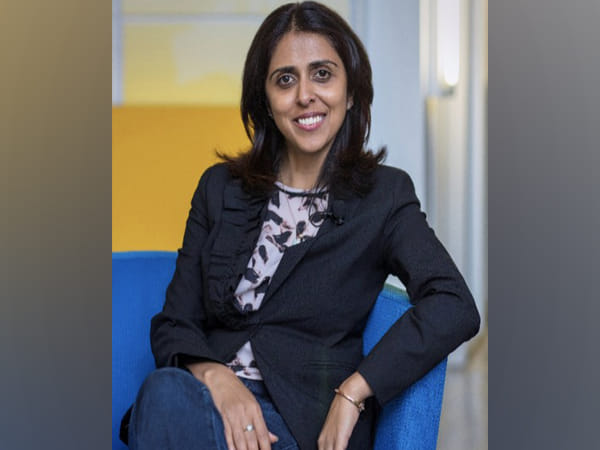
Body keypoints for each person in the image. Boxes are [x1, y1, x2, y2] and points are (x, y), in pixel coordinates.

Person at [121, 2, 480, 449]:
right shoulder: (220, 188)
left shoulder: (384, 196)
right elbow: (174, 322)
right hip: (202, 405)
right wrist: (216, 377)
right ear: (265, 100)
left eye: (322, 74)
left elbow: (454, 304)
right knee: (163, 394)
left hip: (300, 423)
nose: (305, 95)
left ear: (351, 91)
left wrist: (354, 391)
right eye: (285, 80)